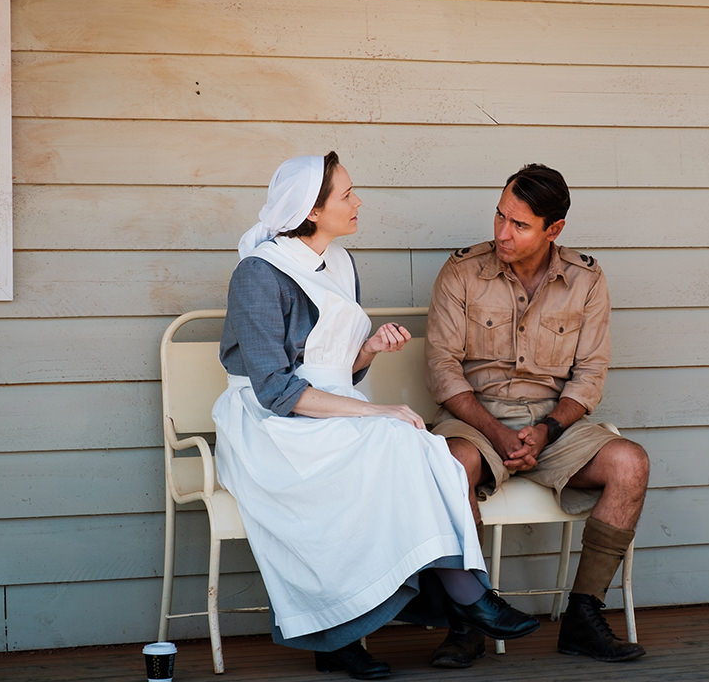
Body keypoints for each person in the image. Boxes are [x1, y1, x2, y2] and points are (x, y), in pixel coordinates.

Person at [212, 153, 539, 680]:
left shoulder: (339, 262)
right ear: (311, 210)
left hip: (328, 410)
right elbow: (275, 390)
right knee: (395, 439)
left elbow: (337, 370)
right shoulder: (258, 274)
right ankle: (456, 600)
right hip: (271, 424)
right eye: (346, 195)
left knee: (418, 445)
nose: (357, 201)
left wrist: (368, 350)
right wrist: (380, 411)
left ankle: (457, 600)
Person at [424, 163, 650, 667]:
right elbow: (442, 371)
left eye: (520, 224)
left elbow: (589, 375)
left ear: (554, 230)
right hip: (475, 419)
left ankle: (583, 617)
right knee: (450, 465)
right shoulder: (462, 271)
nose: (503, 232)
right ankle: (469, 619)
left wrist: (546, 431)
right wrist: (498, 433)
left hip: (553, 423)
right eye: (500, 216)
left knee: (629, 463)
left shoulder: (586, 279)